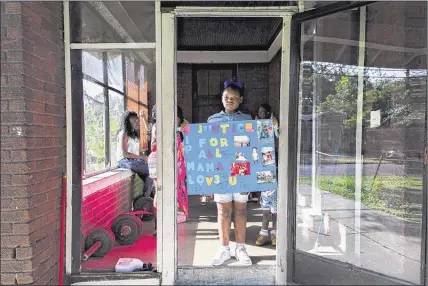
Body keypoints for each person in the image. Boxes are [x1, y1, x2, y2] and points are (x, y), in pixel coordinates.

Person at [208, 79, 253, 266]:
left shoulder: (247, 119)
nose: (230, 100)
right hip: (221, 171)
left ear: (241, 99)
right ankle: (224, 249)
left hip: (242, 169)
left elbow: (252, 146)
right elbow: (208, 150)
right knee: (223, 211)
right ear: (221, 98)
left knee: (241, 211)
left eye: (234, 98)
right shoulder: (213, 120)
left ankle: (240, 248)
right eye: (226, 97)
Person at [254, 103, 279, 247]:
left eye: (263, 112)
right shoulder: (257, 124)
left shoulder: (272, 124)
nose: (261, 114)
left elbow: (278, 137)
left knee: (274, 208)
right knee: (265, 206)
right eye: (259, 112)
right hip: (263, 167)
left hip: (272, 165)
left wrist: (274, 126)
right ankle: (264, 233)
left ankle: (274, 232)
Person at [117, 111, 153, 197]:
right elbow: (124, 154)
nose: (137, 122)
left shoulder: (135, 134)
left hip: (134, 161)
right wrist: (142, 158)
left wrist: (145, 158)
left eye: (137, 120)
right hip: (125, 161)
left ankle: (147, 197)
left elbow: (137, 152)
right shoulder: (123, 133)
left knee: (152, 172)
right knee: (152, 171)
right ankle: (146, 198)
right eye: (134, 121)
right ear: (127, 122)